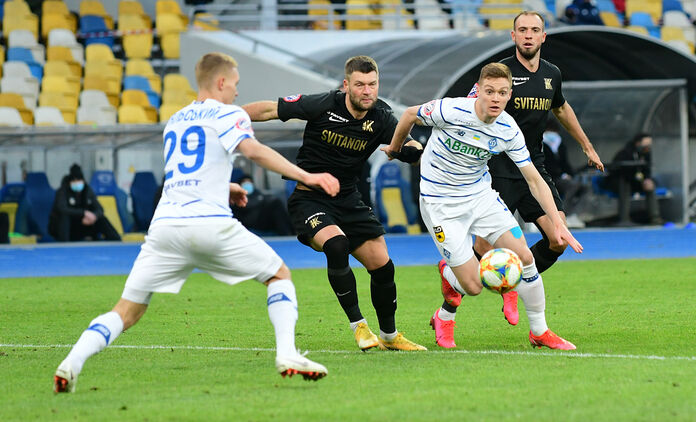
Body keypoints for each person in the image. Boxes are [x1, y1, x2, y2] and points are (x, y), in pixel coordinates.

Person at [53, 52, 339, 393]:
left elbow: (185, 173)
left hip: (165, 228)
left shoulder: (175, 120)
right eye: (235, 84)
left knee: (126, 311)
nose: (236, 92)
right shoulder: (229, 113)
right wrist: (307, 176)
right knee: (278, 274)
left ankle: (71, 362)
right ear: (221, 82)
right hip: (208, 224)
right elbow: (253, 151)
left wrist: (225, 187)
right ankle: (288, 354)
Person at [382, 62, 583, 349]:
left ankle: (540, 331)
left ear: (509, 95)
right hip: (440, 203)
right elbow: (410, 114)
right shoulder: (452, 110)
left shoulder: (508, 129)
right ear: (479, 91)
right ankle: (448, 278)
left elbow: (535, 180)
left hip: (480, 197)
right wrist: (394, 147)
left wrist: (558, 224)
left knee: (525, 256)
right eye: (489, 91)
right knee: (473, 286)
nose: (495, 98)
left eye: (502, 93)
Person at [242, 55, 427, 352]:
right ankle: (359, 326)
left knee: (382, 266)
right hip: (309, 198)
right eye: (360, 85)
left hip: (349, 199)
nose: (367, 91)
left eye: (372, 84)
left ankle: (390, 336)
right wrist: (226, 116)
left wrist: (410, 151)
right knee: (337, 244)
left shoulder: (381, 116)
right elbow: (269, 109)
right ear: (346, 85)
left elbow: (410, 144)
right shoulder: (323, 104)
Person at [467, 11, 604, 327]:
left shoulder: (552, 74)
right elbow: (470, 108)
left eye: (534, 30)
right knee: (482, 247)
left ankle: (512, 282)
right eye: (522, 30)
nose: (528, 35)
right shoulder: (500, 74)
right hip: (498, 168)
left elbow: (561, 108)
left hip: (533, 168)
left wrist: (587, 146)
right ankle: (448, 308)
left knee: (558, 238)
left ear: (544, 36)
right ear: (513, 36)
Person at [48, 164, 122, 242]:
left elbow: (100, 209)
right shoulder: (63, 191)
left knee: (101, 218)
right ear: (70, 182)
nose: (77, 183)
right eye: (74, 181)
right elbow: (62, 208)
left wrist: (94, 216)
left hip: (85, 223)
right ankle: (64, 244)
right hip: (68, 227)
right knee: (64, 217)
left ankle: (116, 241)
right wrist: (84, 213)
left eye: (79, 180)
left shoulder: (88, 190)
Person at [605, 133, 661, 225]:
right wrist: (636, 178)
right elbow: (617, 172)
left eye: (649, 145)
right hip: (620, 183)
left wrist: (647, 179)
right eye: (646, 145)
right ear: (638, 143)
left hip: (636, 182)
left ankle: (655, 218)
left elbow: (647, 169)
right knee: (625, 183)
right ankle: (624, 219)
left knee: (650, 185)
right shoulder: (624, 153)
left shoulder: (646, 153)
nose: (648, 147)